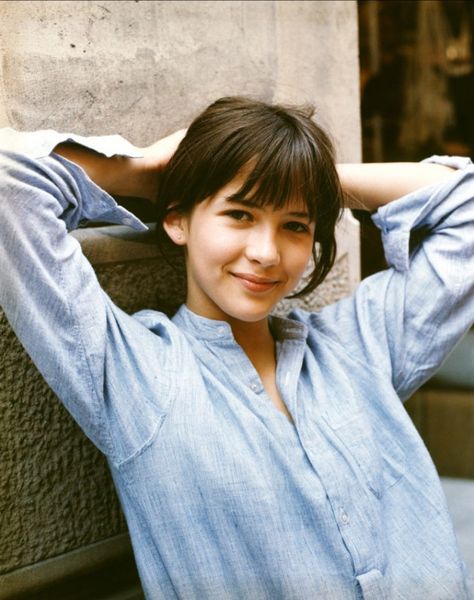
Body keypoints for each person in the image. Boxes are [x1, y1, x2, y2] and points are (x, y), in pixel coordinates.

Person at [0, 96, 473, 600]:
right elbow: (10, 185)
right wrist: (141, 170)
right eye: (240, 214)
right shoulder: (135, 375)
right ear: (178, 220)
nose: (266, 253)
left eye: (295, 224)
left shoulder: (359, 346)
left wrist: (304, 173)